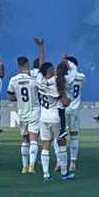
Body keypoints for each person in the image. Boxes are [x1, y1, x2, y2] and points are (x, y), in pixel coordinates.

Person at [34, 37, 76, 182]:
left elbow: (41, 65)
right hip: (55, 117)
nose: (54, 71)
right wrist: (67, 97)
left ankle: (46, 174)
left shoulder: (39, 80)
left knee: (45, 144)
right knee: (61, 142)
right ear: (50, 72)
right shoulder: (55, 85)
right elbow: (65, 103)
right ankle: (64, 172)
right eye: (52, 69)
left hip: (43, 117)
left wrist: (41, 48)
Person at [7, 55, 40, 174]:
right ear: (27, 64)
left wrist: (19, 99)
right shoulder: (33, 79)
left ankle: (24, 167)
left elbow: (10, 97)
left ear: (18, 66)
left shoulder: (13, 80)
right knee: (34, 139)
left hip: (22, 112)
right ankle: (32, 166)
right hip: (34, 112)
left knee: (24, 140)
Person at [66, 56, 85, 172]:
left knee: (60, 136)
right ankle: (73, 162)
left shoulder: (65, 77)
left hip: (64, 108)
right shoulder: (82, 77)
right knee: (74, 136)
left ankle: (60, 160)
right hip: (75, 109)